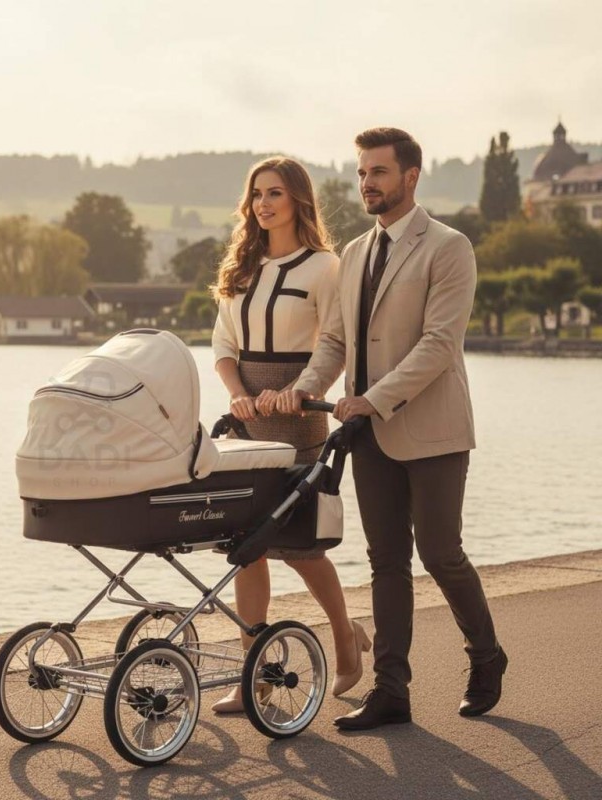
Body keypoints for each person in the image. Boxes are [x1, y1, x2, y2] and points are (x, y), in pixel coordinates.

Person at [277, 128, 507, 731]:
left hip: (432, 430)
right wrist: (307, 386)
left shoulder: (449, 247)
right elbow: (334, 340)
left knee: (440, 552)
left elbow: (438, 345)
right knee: (386, 560)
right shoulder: (354, 254)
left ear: (410, 176)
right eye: (361, 173)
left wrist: (370, 401)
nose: (366, 183)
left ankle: (486, 656)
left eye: (378, 172)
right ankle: (391, 690)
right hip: (369, 434)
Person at [210, 156, 371, 713]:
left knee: (300, 546)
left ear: (298, 199)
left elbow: (335, 341)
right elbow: (223, 345)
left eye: (275, 193)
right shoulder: (240, 266)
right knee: (245, 549)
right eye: (257, 194)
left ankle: (345, 635)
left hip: (299, 410)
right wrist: (238, 393)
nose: (263, 204)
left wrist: (301, 389)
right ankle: (251, 675)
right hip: (247, 415)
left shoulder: (325, 266)